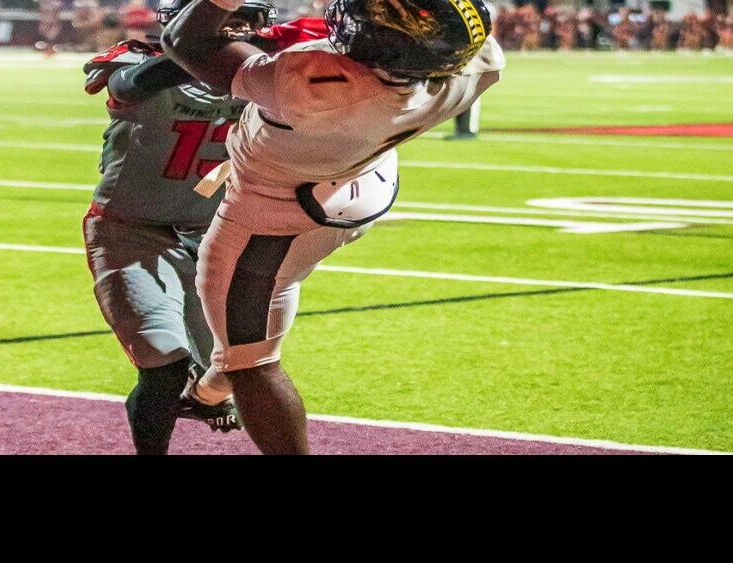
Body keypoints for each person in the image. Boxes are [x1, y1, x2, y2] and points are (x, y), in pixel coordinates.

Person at [163, 0, 504, 454]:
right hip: (360, 189)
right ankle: (207, 393)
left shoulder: (316, 86)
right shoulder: (475, 64)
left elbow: (185, 41)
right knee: (252, 319)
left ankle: (229, 386)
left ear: (378, 45)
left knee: (251, 358)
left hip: (268, 220)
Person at [81, 0, 279, 455]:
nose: (239, 30)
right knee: (165, 365)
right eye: (227, 20)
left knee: (236, 366)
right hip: (131, 231)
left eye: (247, 21)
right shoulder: (137, 61)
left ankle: (202, 398)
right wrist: (200, 53)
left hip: (216, 234)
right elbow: (131, 84)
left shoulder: (270, 75)